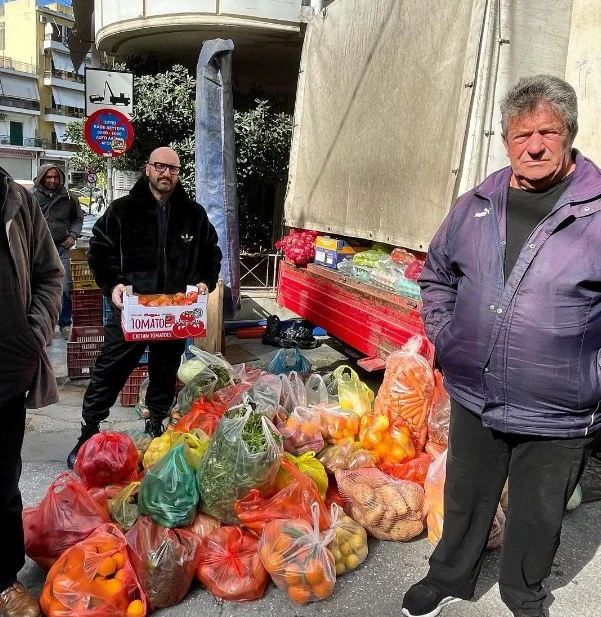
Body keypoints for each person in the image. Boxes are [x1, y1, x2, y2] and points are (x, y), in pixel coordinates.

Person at [402, 74, 601, 617]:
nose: (533, 146)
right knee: (465, 497)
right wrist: (447, 336)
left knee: (539, 512)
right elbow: (436, 275)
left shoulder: (597, 211)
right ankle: (447, 577)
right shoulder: (476, 203)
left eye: (547, 133)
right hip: (477, 390)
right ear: (506, 140)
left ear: (569, 136)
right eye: (520, 134)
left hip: (559, 404)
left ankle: (523, 591)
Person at [67, 147, 222, 468]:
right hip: (132, 312)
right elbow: (99, 250)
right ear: (147, 169)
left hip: (174, 313)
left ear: (178, 175)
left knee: (165, 372)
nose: (167, 174)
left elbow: (211, 253)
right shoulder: (122, 211)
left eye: (173, 169)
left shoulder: (193, 214)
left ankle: (155, 427)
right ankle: (88, 432)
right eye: (161, 167)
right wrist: (114, 284)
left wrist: (205, 280)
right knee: (110, 371)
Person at [0, 166, 63, 616]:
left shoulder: (15, 200)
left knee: (1, 481)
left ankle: (3, 581)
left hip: (5, 366)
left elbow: (49, 273)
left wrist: (33, 333)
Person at [31, 164, 84, 340]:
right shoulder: (31, 197)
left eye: (55, 177)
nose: (52, 180)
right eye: (48, 177)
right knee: (37, 287)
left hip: (62, 247)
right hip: (37, 249)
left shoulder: (69, 197)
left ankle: (64, 323)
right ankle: (42, 326)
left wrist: (73, 235)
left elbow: (78, 218)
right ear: (41, 178)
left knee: (65, 287)